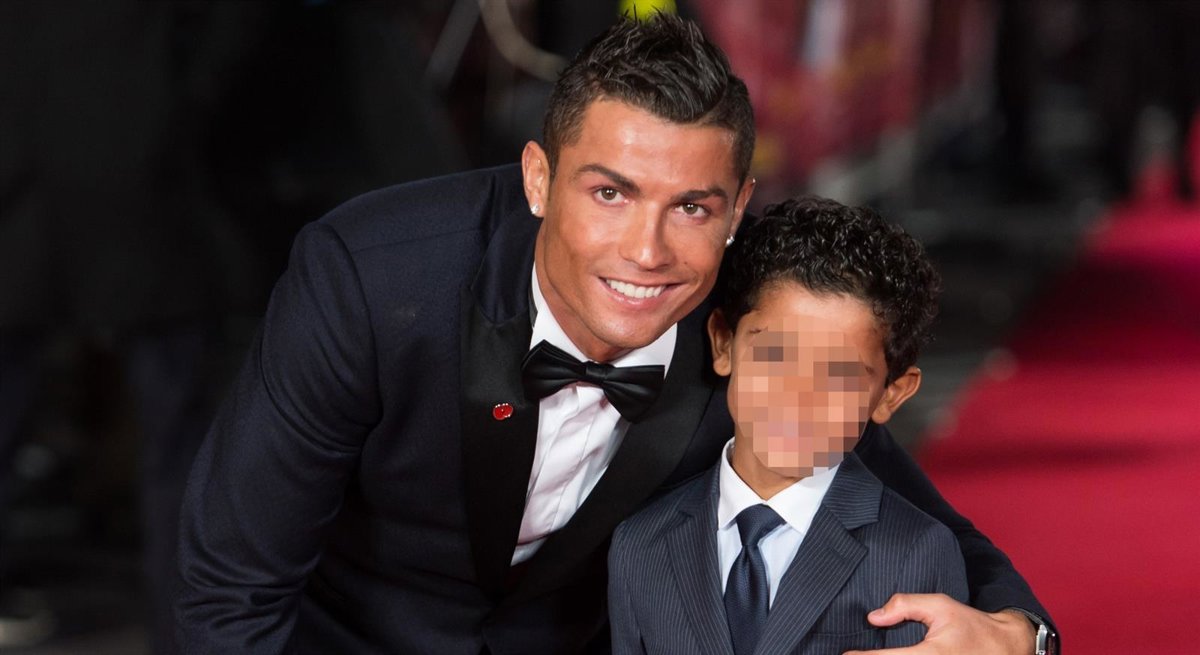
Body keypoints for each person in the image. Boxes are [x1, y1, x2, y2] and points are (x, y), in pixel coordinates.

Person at [176, 15, 1054, 654]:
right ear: (537, 178)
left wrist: (1020, 633)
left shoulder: (755, 318)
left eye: (693, 207)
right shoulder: (372, 278)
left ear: (738, 209)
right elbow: (231, 587)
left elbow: (919, 516)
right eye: (610, 193)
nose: (647, 250)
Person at [608, 196, 968, 654]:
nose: (798, 396)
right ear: (724, 344)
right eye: (774, 355)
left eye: (839, 374)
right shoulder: (640, 544)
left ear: (891, 393)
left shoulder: (916, 551)